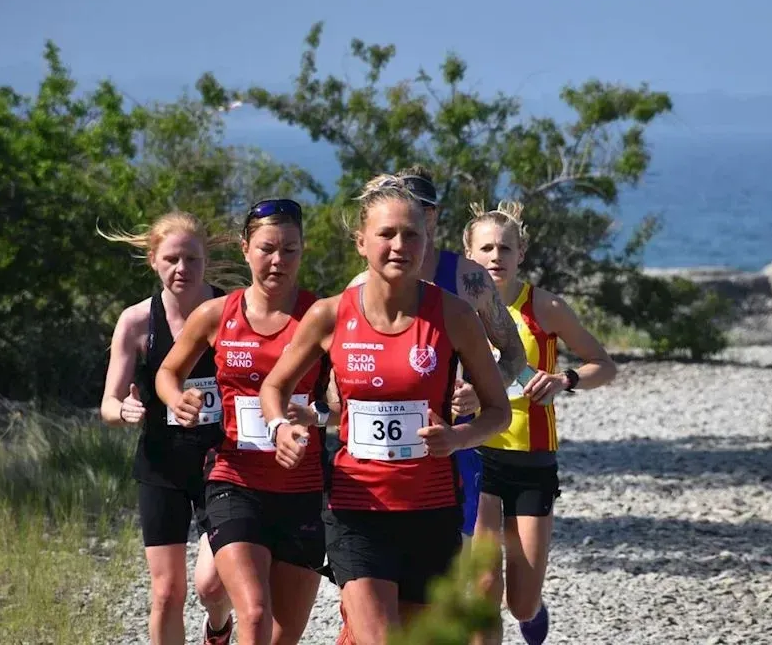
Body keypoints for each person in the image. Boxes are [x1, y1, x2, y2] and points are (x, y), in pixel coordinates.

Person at [261, 175, 512, 645]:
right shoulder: (332, 314)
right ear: (361, 242)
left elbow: (499, 411)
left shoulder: (455, 315)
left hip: (432, 509)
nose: (400, 245)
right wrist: (280, 427)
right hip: (357, 509)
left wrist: (458, 437)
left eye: (411, 234)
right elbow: (275, 385)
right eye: (386, 234)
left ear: (428, 240)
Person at [156, 198, 327, 645]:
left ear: (303, 250)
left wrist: (318, 415)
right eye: (267, 247)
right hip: (235, 479)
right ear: (245, 248)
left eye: (290, 249)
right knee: (253, 613)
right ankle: (222, 625)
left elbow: (347, 402)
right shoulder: (217, 314)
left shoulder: (323, 317)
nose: (278, 260)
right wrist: (177, 400)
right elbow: (167, 372)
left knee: (280, 637)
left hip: (302, 488)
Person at [459, 201, 617, 645]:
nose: (495, 257)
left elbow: (603, 364)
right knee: (484, 588)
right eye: (486, 248)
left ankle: (532, 611)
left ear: (521, 252)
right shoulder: (454, 310)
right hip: (478, 453)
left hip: (533, 460)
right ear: (469, 254)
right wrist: (460, 399)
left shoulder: (545, 307)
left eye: (505, 248)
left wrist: (565, 380)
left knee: (521, 602)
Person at [347, 165, 528, 541]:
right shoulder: (360, 287)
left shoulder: (468, 278)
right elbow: (335, 380)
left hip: (451, 446)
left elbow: (514, 352)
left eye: (423, 211)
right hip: (374, 456)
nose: (414, 221)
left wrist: (483, 389)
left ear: (433, 216)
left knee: (442, 571)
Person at [97, 211, 235, 645]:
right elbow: (108, 403)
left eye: (192, 259)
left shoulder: (234, 311)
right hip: (162, 464)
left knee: (213, 586)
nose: (182, 269)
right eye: (172, 259)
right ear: (153, 260)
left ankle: (218, 626)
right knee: (166, 591)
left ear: (205, 260)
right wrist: (126, 411)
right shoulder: (137, 322)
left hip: (225, 463)